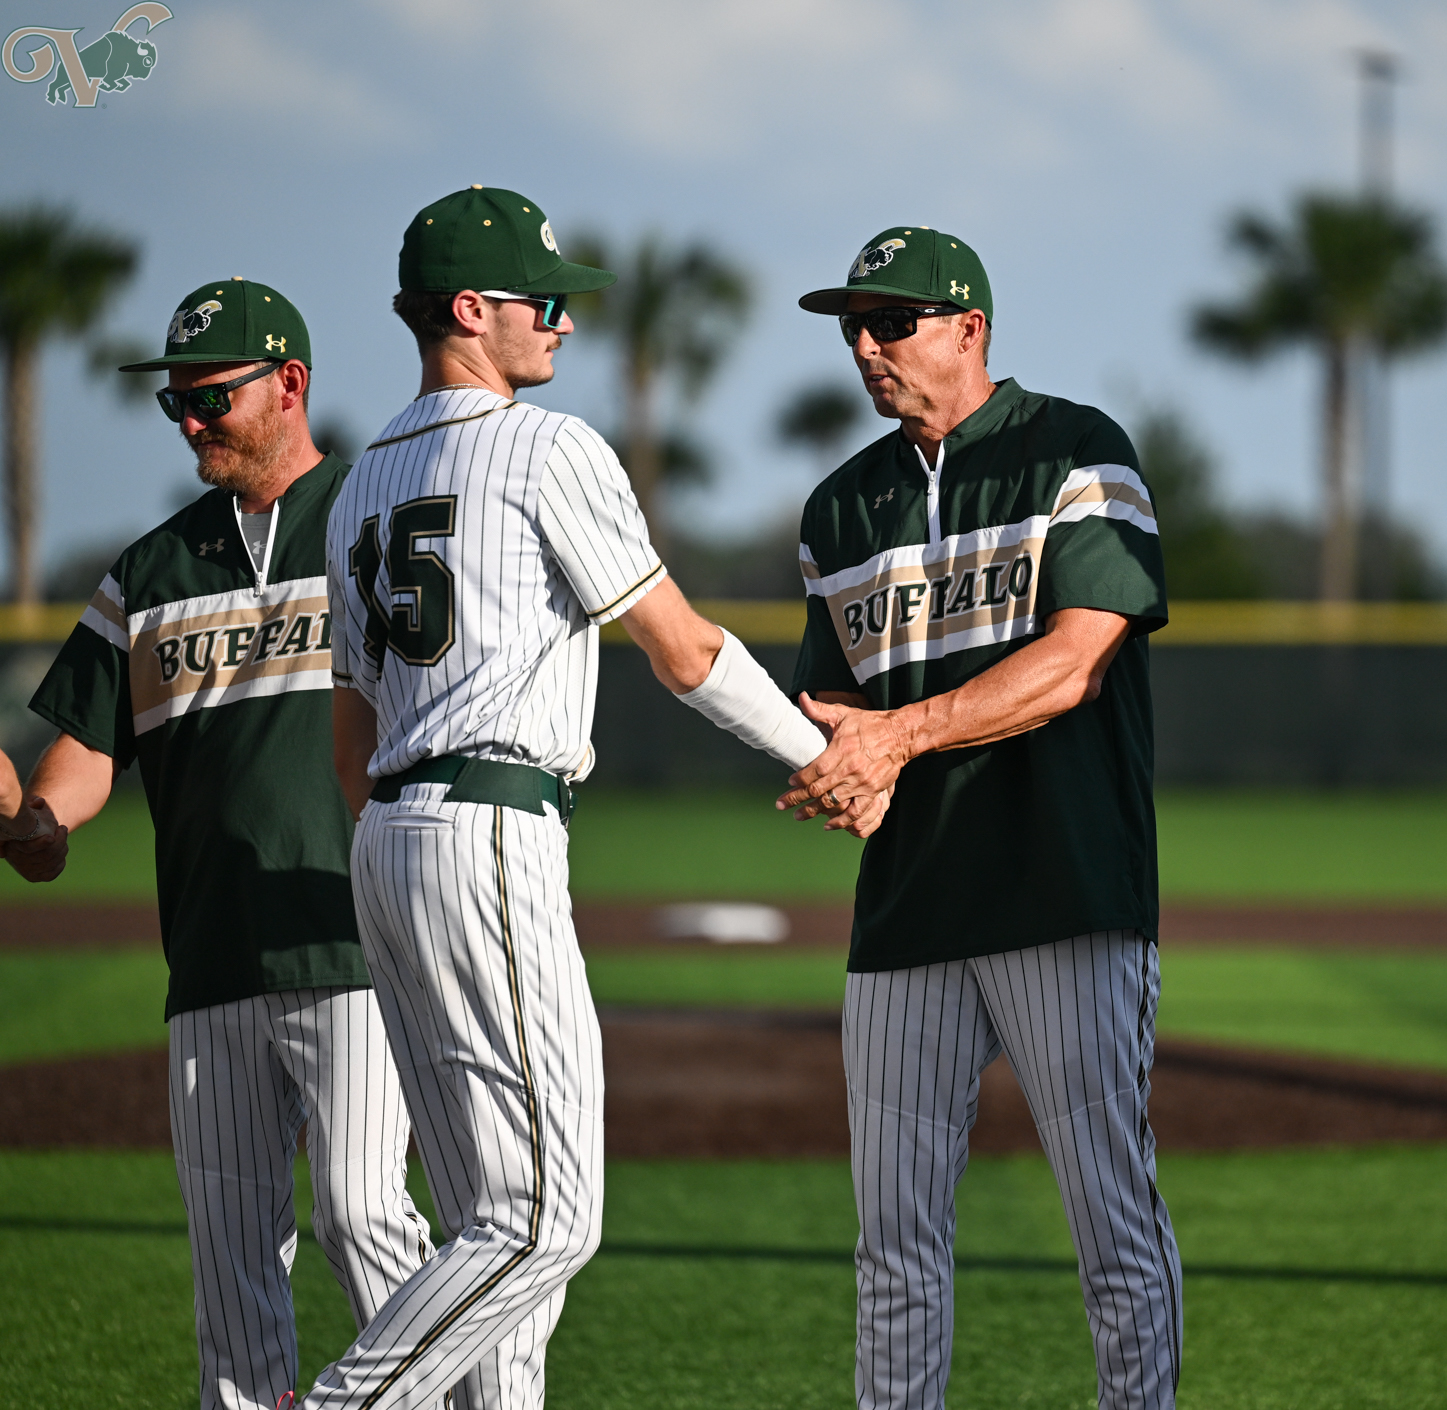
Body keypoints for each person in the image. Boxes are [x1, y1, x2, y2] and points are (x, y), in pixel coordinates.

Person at [304, 185, 829, 1410]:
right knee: (544, 1224)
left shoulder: (362, 478)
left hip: (390, 829)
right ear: (470, 310)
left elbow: (348, 736)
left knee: (487, 1217)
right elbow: (680, 647)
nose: (566, 323)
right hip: (489, 826)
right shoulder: (547, 448)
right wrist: (815, 753)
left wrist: (397, 842)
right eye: (544, 301)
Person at [7, 280, 442, 1410]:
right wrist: (30, 825)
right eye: (177, 406)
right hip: (208, 958)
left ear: (289, 383)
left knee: (361, 1213)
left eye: (212, 399)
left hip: (351, 936)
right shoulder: (149, 572)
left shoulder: (375, 512)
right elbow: (87, 756)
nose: (191, 421)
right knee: (230, 1258)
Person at [782, 227, 1183, 1410]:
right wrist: (829, 762)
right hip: (906, 912)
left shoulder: (1074, 448)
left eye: (890, 321)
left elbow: (1075, 665)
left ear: (969, 328)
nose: (865, 346)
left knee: (1110, 1228)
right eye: (853, 325)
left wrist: (895, 740)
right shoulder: (839, 506)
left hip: (1062, 889)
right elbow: (835, 710)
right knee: (892, 1249)